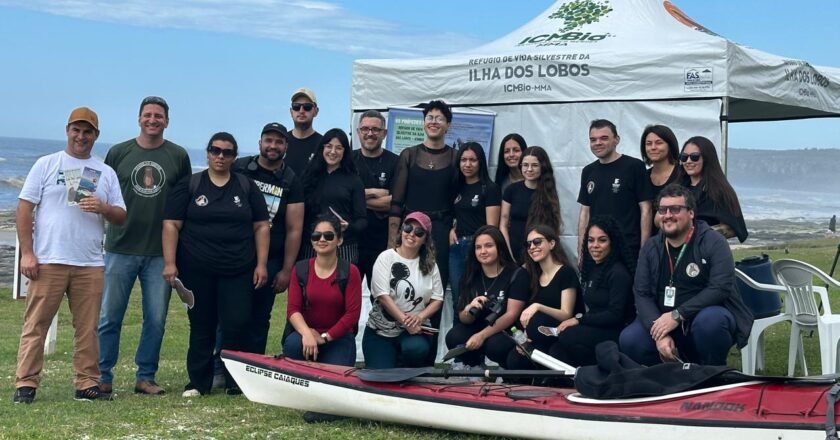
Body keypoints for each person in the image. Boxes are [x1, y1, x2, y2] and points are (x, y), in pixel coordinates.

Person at [14, 107, 127, 403]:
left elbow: (121, 215)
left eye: (87, 131)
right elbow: (25, 208)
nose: (81, 136)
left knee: (88, 328)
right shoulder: (46, 164)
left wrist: (103, 207)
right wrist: (27, 253)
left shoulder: (105, 172)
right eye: (76, 130)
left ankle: (86, 383)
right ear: (67, 131)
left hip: (89, 262)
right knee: (36, 324)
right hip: (49, 258)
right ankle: (26, 383)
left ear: (96, 136)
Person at [162, 132, 270, 396]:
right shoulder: (191, 184)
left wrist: (262, 264)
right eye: (215, 150)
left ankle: (235, 381)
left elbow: (261, 226)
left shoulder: (246, 186)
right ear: (208, 152)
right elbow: (171, 224)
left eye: (227, 152)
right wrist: (170, 263)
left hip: (238, 269)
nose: (221, 156)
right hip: (197, 269)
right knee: (201, 324)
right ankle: (198, 382)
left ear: (234, 157)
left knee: (237, 322)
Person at [97, 96, 192, 396]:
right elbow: (103, 192)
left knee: (155, 318)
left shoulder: (178, 156)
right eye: (148, 115)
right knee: (110, 316)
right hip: (120, 247)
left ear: (167, 121)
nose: (153, 120)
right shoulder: (118, 152)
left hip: (160, 253)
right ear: (139, 118)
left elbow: (185, 203)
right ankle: (102, 375)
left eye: (159, 116)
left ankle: (146, 376)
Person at [618, 184, 753, 366]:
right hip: (664, 321)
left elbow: (720, 287)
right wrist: (659, 332)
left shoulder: (713, 242)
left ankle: (713, 371)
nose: (668, 215)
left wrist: (677, 315)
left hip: (699, 317)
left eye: (675, 209)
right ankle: (664, 377)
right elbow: (641, 293)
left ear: (691, 213)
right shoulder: (651, 247)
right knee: (630, 339)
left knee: (711, 323)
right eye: (663, 210)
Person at [232, 122, 304, 353]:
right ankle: (221, 368)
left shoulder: (291, 179)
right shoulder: (240, 168)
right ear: (260, 142)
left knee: (260, 316)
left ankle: (253, 364)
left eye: (279, 142)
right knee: (230, 313)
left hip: (272, 258)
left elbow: (295, 228)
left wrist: (286, 270)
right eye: (268, 140)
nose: (273, 146)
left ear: (286, 146)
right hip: (236, 254)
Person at [388, 100, 458, 293]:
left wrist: (454, 226)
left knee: (436, 285)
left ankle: (431, 324)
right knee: (405, 282)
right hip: (410, 229)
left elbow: (458, 199)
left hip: (441, 231)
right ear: (423, 122)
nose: (434, 122)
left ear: (448, 125)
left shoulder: (455, 158)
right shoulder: (409, 155)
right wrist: (392, 239)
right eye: (429, 118)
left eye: (439, 118)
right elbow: (396, 203)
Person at [546, 216, 635, 367]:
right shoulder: (591, 268)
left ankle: (600, 372)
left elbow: (615, 315)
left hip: (614, 330)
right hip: (595, 326)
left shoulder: (618, 273)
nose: (595, 245)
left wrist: (579, 320)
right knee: (556, 350)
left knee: (568, 337)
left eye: (602, 240)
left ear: (612, 242)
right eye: (591, 240)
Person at [364, 211, 444, 368]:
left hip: (414, 330)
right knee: (380, 376)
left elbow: (438, 298)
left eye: (419, 232)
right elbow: (382, 295)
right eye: (408, 228)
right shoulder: (386, 257)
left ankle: (405, 366)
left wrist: (420, 318)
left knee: (416, 349)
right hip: (381, 330)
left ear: (425, 239)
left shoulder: (430, 264)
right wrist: (404, 320)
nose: (411, 234)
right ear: (401, 231)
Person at [445, 225, 529, 368]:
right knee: (454, 336)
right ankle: (475, 367)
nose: (483, 251)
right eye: (478, 247)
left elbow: (511, 315)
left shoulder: (516, 274)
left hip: (507, 328)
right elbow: (463, 318)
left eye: (488, 246)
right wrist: (469, 308)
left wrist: (482, 336)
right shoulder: (469, 275)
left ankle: (507, 371)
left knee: (494, 345)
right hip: (478, 324)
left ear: (499, 247)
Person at [283, 215, 362, 366]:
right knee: (293, 346)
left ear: (339, 240)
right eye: (316, 235)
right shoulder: (300, 269)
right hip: (306, 333)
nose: (322, 239)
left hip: (338, 337)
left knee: (336, 376)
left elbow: (352, 315)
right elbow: (293, 310)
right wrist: (307, 333)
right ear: (312, 241)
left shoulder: (351, 271)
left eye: (329, 235)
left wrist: (325, 337)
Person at [506, 224, 581, 370]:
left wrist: (537, 306)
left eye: (537, 242)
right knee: (513, 359)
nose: (532, 247)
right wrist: (524, 337)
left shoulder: (566, 272)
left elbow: (566, 314)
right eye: (528, 244)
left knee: (537, 325)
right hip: (540, 333)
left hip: (564, 329)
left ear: (552, 243)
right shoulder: (533, 275)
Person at [577, 119, 653, 258]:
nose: (598, 143)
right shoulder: (588, 171)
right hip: (597, 249)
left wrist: (644, 249)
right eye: (593, 139)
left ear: (616, 140)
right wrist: (581, 250)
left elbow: (646, 209)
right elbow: (585, 213)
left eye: (604, 138)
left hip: (627, 247)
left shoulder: (634, 167)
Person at [449, 142, 501, 316]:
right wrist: (452, 228)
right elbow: (457, 214)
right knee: (458, 298)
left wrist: (483, 248)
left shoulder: (490, 189)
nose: (467, 164)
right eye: (463, 160)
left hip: (478, 248)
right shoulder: (457, 187)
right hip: (457, 248)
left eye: (473, 160)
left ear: (480, 163)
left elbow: (491, 228)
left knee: (479, 298)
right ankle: (458, 339)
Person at [301, 128, 367, 263]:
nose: (333, 152)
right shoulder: (308, 176)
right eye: (329, 146)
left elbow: (362, 220)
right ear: (321, 148)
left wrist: (348, 226)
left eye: (338, 148)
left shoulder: (354, 180)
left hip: (344, 247)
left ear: (345, 152)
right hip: (312, 245)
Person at [351, 110, 399, 288]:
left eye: (375, 129)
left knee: (380, 298)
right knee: (346, 299)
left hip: (381, 242)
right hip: (351, 243)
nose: (370, 133)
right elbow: (344, 198)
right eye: (365, 129)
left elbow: (394, 202)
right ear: (358, 132)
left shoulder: (396, 162)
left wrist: (356, 198)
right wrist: (377, 192)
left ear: (384, 133)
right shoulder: (348, 160)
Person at [678, 136, 748, 243]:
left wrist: (702, 234)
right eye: (684, 157)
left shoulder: (719, 191)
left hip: (706, 251)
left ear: (707, 158)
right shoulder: (677, 187)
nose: (688, 161)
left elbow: (734, 228)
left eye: (694, 157)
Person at [500, 146, 561, 264]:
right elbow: (503, 224)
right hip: (513, 252)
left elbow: (554, 227)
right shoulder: (511, 190)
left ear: (542, 167)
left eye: (534, 165)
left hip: (539, 253)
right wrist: (508, 254)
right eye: (525, 165)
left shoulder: (548, 192)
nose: (529, 169)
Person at [285, 88, 322, 176]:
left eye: (307, 107)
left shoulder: (323, 144)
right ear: (291, 112)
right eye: (296, 106)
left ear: (316, 111)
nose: (301, 111)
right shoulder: (281, 142)